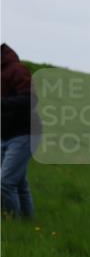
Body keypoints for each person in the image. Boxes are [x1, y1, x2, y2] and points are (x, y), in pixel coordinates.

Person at [1, 44, 36, 219]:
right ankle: (28, 223)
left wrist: (2, 103)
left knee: (5, 183)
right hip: (4, 133)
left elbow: (31, 99)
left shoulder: (17, 70)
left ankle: (13, 222)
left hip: (24, 133)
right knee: (19, 183)